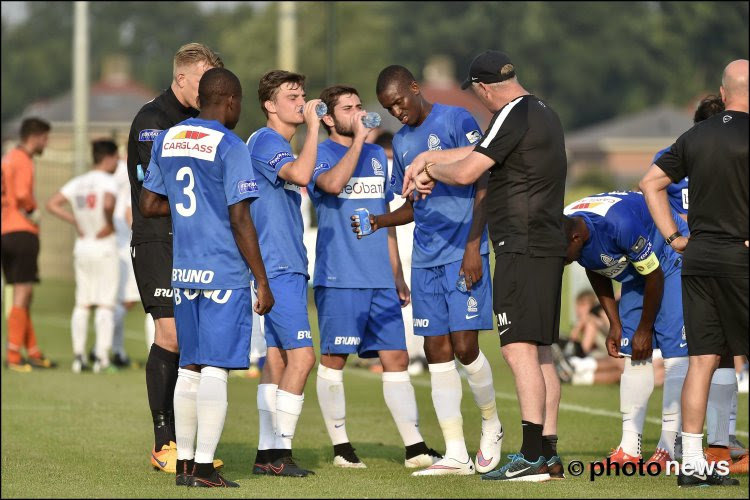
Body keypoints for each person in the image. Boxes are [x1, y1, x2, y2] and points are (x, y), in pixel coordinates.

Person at [404, 50, 567, 481]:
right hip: (546, 243)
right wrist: (428, 159)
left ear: (484, 87)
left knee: (517, 349)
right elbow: (479, 146)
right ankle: (547, 453)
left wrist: (431, 171)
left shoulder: (512, 113)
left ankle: (531, 455)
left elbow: (468, 171)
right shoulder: (540, 110)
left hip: (523, 244)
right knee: (542, 350)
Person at [365, 65, 502, 476]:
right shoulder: (403, 143)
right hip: (425, 258)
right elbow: (412, 203)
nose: (397, 112)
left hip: (463, 251)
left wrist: (475, 245)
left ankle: (491, 424)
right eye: (389, 108)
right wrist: (380, 220)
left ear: (414, 87)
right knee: (436, 351)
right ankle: (456, 453)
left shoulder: (455, 119)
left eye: (399, 102)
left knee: (465, 347)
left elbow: (483, 180)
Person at [140, 67, 273, 488]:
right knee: (216, 369)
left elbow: (148, 203)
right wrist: (262, 280)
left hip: (184, 270)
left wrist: (187, 211)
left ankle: (183, 466)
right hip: (222, 272)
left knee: (189, 369)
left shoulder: (169, 137)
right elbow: (240, 217)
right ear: (230, 101)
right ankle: (203, 468)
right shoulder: (231, 145)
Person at [310, 84, 441, 469]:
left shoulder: (376, 156)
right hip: (340, 278)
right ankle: (340, 447)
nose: (357, 113)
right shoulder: (320, 154)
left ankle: (415, 447)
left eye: (358, 106)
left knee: (397, 358)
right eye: (347, 109)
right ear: (330, 119)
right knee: (335, 359)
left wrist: (397, 274)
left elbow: (384, 220)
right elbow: (333, 185)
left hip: (380, 279)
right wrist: (359, 143)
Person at [639, 58, 747, 488]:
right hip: (740, 257)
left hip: (698, 258)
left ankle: (693, 463)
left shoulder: (694, 135)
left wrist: (672, 237)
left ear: (723, 93)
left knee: (701, 361)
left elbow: (650, 183)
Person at [126, 42, 223, 474]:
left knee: (193, 340)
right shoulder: (152, 122)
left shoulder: (199, 121)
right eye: (201, 80)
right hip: (156, 242)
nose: (208, 89)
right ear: (182, 77)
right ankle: (163, 441)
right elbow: (156, 196)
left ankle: (186, 446)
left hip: (191, 242)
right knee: (172, 337)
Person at [563, 191, 690, 470]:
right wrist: (614, 324)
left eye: (562, 254)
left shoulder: (619, 225)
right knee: (632, 351)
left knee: (673, 353)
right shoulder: (571, 225)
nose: (560, 260)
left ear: (576, 238)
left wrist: (645, 328)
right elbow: (595, 267)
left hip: (667, 255)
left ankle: (671, 444)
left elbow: (654, 275)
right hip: (637, 266)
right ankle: (630, 446)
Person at [246, 70, 321, 477]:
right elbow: (301, 175)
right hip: (277, 266)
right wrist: (313, 127)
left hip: (285, 265)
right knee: (303, 357)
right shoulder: (266, 141)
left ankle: (265, 453)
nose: (301, 101)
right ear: (270, 105)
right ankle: (281, 455)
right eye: (292, 96)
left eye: (303, 95)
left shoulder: (281, 146)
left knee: (275, 360)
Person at [46, 139, 121, 374]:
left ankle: (78, 357)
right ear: (107, 158)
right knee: (106, 304)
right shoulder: (108, 181)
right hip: (104, 245)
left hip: (83, 245)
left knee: (82, 303)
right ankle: (102, 358)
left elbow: (53, 204)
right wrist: (109, 223)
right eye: (116, 157)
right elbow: (108, 203)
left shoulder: (78, 182)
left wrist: (75, 221)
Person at [1, 117, 56, 372]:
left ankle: (32, 352)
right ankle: (13, 356)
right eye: (45, 138)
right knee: (22, 295)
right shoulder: (23, 160)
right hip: (21, 231)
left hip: (5, 231)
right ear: (34, 137)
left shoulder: (7, 157)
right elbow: (23, 195)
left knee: (24, 295)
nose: (46, 143)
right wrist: (34, 213)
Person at [374, 131, 427, 375]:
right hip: (419, 240)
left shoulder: (376, 169)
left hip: (394, 242)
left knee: (403, 302)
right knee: (423, 302)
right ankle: (428, 354)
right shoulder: (411, 165)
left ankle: (411, 356)